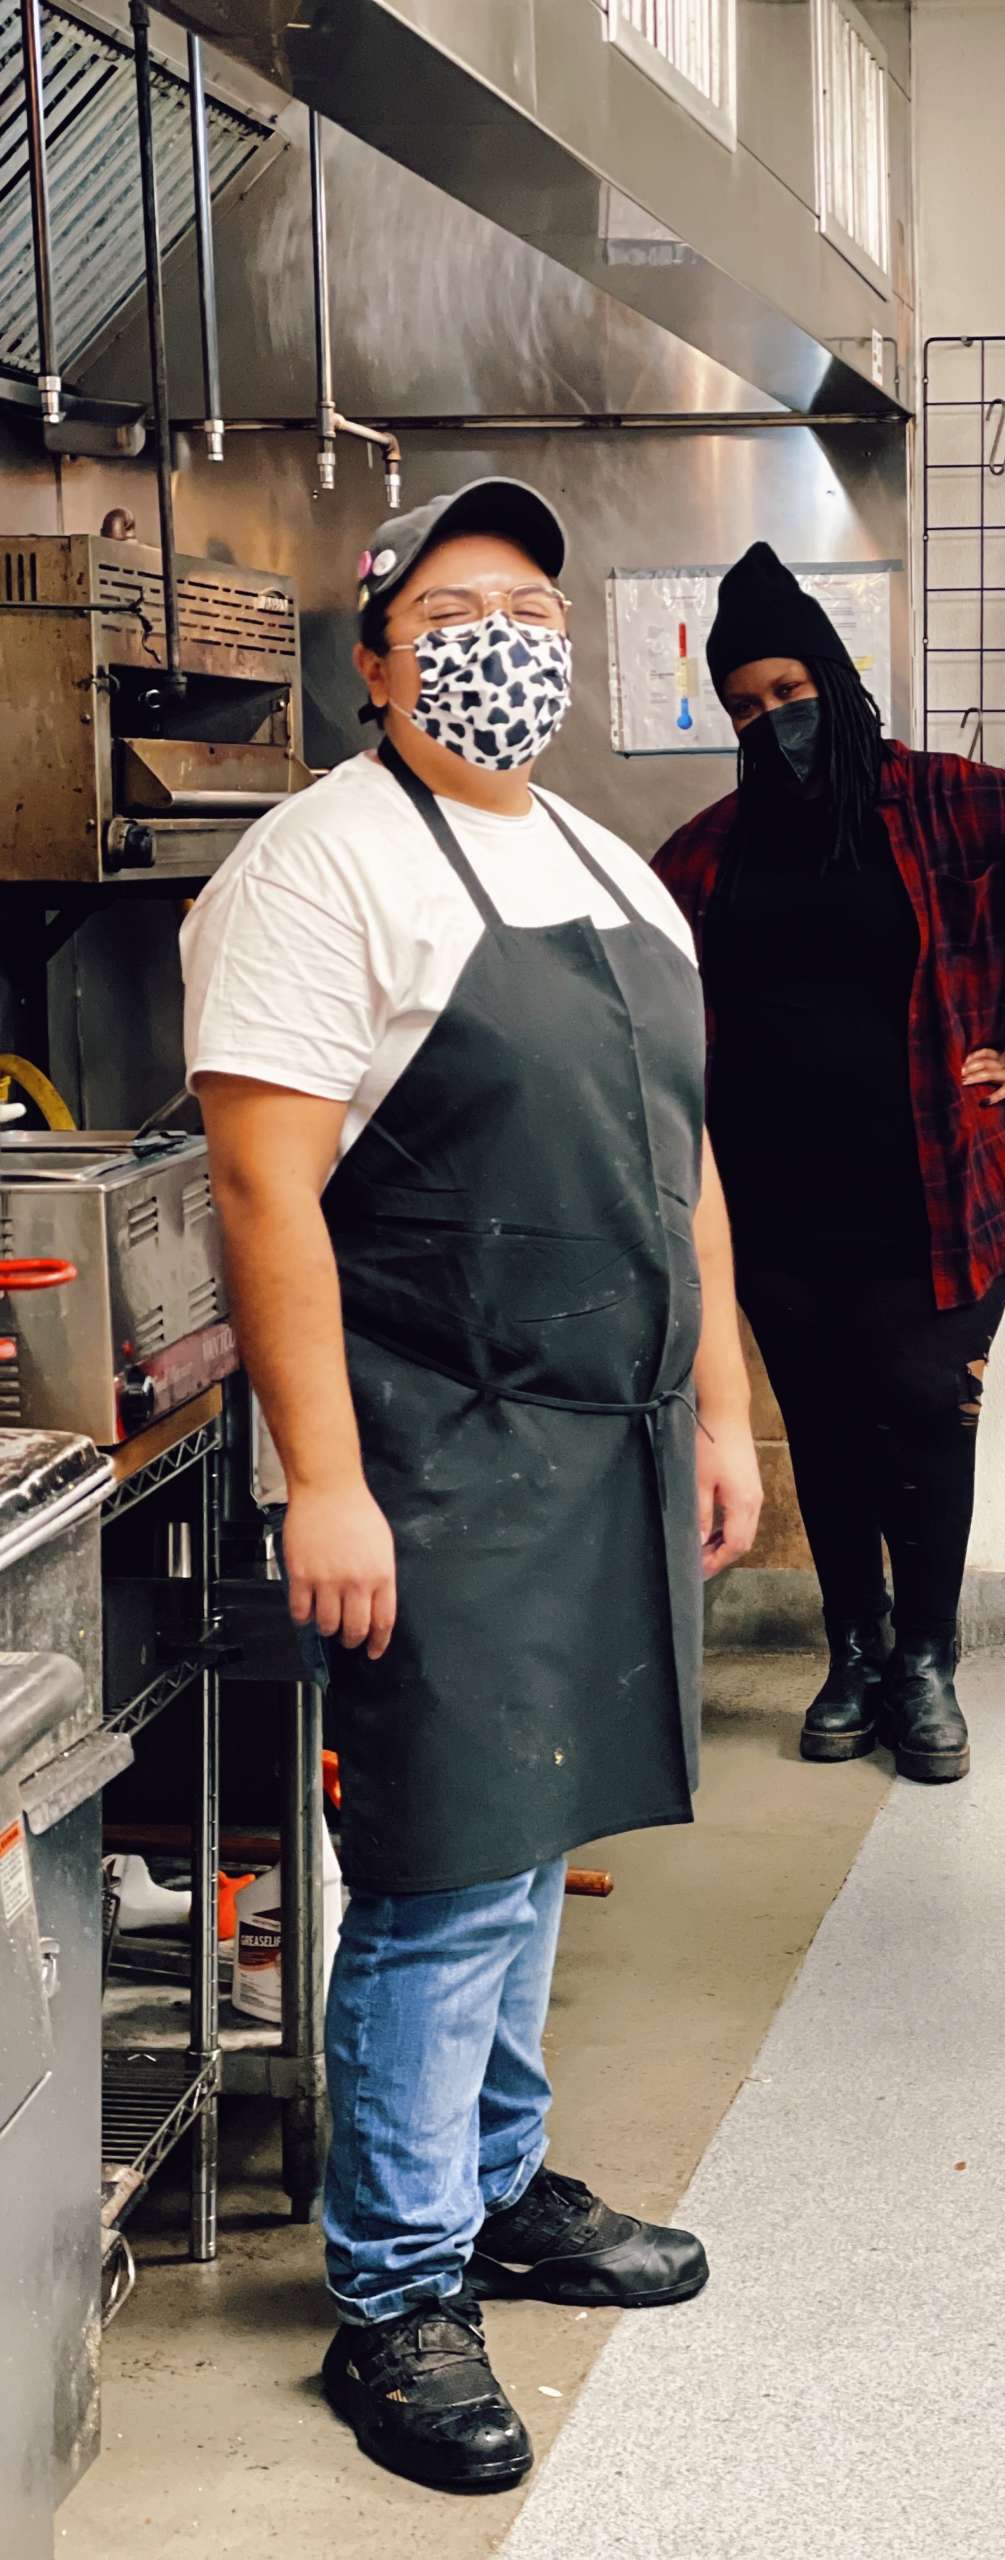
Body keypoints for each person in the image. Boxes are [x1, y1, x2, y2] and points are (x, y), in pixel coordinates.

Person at [181, 479, 762, 2493]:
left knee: (534, 1846)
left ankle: (500, 2183)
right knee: (440, 1867)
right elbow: (263, 1184)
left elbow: (685, 1167)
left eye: (529, 600)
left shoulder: (616, 863)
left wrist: (724, 1407)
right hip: (432, 1440)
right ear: (379, 654)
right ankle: (399, 2285)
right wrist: (321, 1477)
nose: (499, 632)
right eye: (453, 605)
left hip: (607, 1435)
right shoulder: (315, 865)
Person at [653, 544, 1005, 1784]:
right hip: (776, 1201)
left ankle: (927, 1660)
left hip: (941, 1188)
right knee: (821, 1427)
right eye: (746, 706)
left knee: (928, 1414)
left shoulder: (956, 804)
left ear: (834, 673)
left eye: (787, 688)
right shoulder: (709, 853)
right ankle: (855, 1645)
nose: (775, 720)